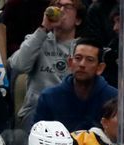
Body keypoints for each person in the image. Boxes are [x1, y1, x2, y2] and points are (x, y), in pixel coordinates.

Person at [8, 0, 85, 130]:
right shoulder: (38, 39)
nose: (61, 10)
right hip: (36, 109)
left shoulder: (82, 49)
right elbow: (18, 66)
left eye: (67, 7)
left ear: (78, 20)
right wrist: (44, 28)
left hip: (69, 111)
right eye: (58, 6)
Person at [32, 38, 117, 132]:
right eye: (78, 58)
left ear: (100, 68)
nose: (82, 64)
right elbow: (37, 135)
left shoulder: (114, 98)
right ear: (70, 63)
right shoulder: (49, 96)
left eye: (90, 60)